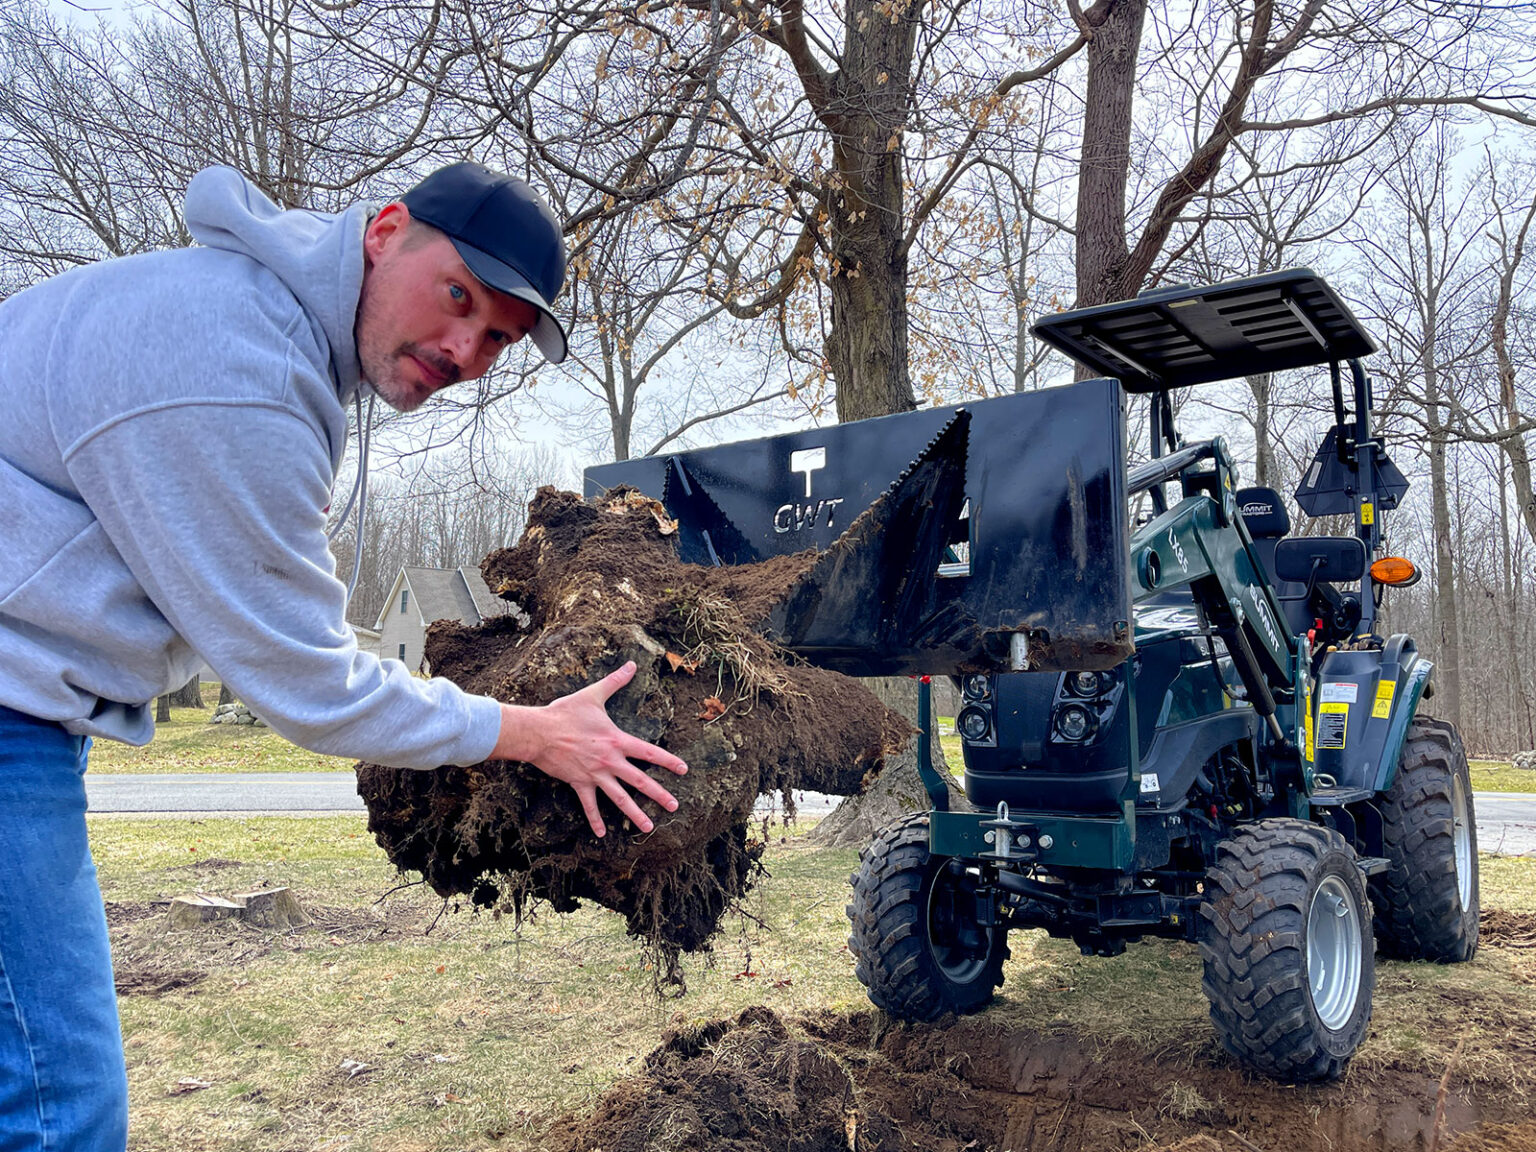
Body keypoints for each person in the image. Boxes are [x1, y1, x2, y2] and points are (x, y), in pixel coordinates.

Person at [0, 161, 687, 1150]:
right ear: (384, 232)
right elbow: (307, 680)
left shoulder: (240, 322)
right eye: (458, 297)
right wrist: (530, 732)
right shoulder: (238, 374)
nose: (465, 350)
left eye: (496, 336)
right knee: (60, 1110)